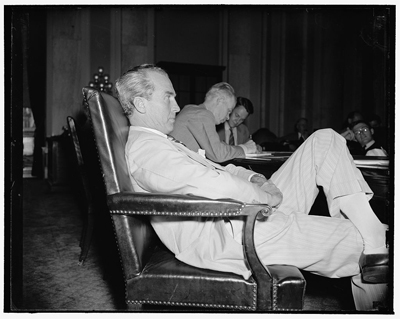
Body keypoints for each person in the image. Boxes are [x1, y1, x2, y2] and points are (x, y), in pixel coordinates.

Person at [116, 64, 389, 311]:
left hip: (241, 214)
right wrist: (265, 197)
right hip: (234, 233)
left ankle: (372, 234)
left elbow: (218, 168)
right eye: (168, 97)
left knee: (325, 140)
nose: (176, 106)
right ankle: (376, 279)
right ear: (141, 103)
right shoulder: (146, 149)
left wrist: (252, 178)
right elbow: (213, 183)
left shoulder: (160, 141)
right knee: (364, 242)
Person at [169, 82, 258, 163]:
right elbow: (218, 154)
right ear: (219, 101)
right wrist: (245, 148)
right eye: (228, 111)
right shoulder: (202, 114)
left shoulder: (191, 110)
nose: (227, 117)